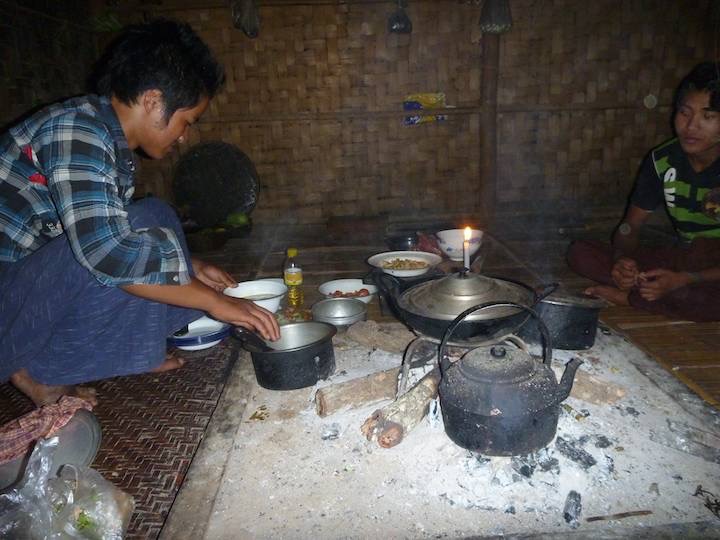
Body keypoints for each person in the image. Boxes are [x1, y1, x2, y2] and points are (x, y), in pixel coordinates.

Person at [0, 19, 280, 408]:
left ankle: (131, 351)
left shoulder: (104, 138)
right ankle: (37, 368)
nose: (184, 137)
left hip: (29, 296)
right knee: (145, 224)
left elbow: (107, 231)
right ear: (152, 101)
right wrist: (215, 303)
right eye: (186, 122)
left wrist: (189, 264)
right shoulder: (75, 130)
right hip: (9, 313)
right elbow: (108, 252)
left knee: (153, 218)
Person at [567, 62, 720, 322]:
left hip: (709, 270)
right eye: (684, 113)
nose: (691, 126)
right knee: (580, 253)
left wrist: (686, 279)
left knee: (701, 298)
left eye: (708, 116)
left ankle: (633, 297)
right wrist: (622, 261)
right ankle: (654, 290)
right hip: (684, 256)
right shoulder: (663, 160)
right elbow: (630, 227)